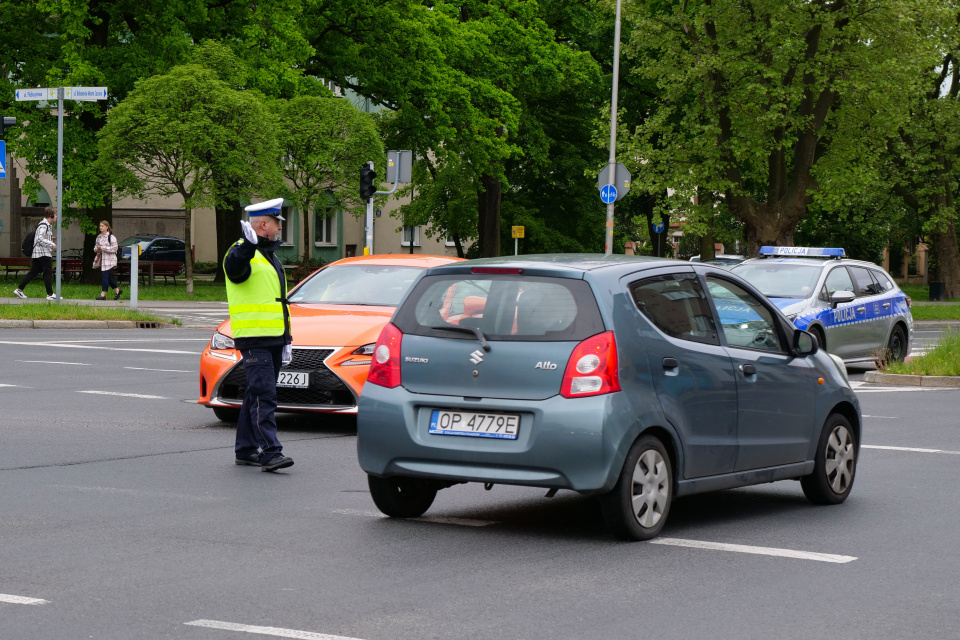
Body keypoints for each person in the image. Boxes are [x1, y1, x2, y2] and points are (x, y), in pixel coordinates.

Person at [224, 198, 294, 472]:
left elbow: (278, 302)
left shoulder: (269, 255)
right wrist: (248, 245)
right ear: (263, 224)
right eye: (277, 223)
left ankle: (245, 450)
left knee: (255, 395)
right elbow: (234, 269)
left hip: (273, 337)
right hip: (254, 338)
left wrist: (286, 338)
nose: (279, 229)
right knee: (265, 395)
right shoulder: (242, 252)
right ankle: (270, 451)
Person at [14, 207, 58, 300]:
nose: (57, 216)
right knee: (48, 271)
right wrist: (52, 244)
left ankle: (19, 289)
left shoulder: (46, 225)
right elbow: (39, 239)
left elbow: (41, 238)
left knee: (34, 272)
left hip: (38, 253)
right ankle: (50, 294)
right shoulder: (44, 225)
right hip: (43, 253)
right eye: (56, 214)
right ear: (52, 215)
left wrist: (52, 239)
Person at [93, 220, 122, 301]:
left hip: (110, 260)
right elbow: (95, 248)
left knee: (104, 276)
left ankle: (103, 294)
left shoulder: (111, 237)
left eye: (102, 226)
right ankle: (117, 291)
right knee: (108, 277)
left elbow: (115, 248)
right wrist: (97, 249)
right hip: (102, 259)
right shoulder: (99, 237)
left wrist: (104, 248)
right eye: (100, 226)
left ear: (107, 227)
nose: (101, 227)